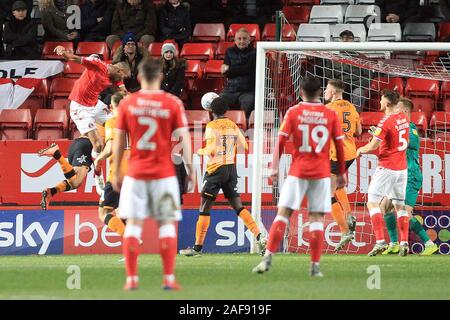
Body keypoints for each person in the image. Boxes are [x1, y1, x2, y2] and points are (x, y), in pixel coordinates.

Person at [112, 58, 195, 291]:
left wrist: (117, 170)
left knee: (133, 226)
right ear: (160, 76)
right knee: (166, 225)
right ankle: (168, 278)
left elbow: (119, 141)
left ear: (138, 77)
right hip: (164, 174)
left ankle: (131, 279)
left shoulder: (128, 103)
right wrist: (191, 170)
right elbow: (184, 139)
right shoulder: (172, 103)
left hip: (136, 173)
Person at [252, 76, 347, 277]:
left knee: (283, 214)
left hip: (298, 172)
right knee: (316, 220)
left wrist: (274, 168)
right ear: (320, 93)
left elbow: (280, 142)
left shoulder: (294, 112)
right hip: (321, 174)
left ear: (301, 92)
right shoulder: (329, 113)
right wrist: (341, 173)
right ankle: (314, 267)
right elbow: (339, 146)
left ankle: (267, 258)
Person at [179, 97, 267, 257]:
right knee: (238, 207)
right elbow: (245, 146)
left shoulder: (211, 126)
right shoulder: (233, 125)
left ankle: (197, 248)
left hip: (215, 170)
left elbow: (211, 148)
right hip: (230, 169)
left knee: (204, 208)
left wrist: (200, 151)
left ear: (211, 111)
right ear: (226, 110)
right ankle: (259, 236)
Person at [53, 45, 131, 194]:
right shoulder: (98, 65)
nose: (122, 80)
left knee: (118, 123)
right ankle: (98, 175)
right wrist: (63, 51)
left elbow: (124, 91)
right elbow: (74, 58)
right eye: (123, 76)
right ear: (119, 71)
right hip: (79, 107)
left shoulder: (115, 77)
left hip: (95, 105)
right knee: (98, 146)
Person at [380, 98, 438, 256]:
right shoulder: (398, 128)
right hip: (398, 175)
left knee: (405, 212)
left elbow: (402, 143)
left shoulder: (411, 129)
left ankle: (429, 243)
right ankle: (394, 244)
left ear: (404, 111)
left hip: (410, 175)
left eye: (397, 109)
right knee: (384, 207)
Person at [356, 90, 410, 257]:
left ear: (387, 103)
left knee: (372, 203)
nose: (379, 102)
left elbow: (372, 146)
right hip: (402, 169)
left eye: (381, 100)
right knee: (400, 207)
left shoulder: (385, 122)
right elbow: (393, 138)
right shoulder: (404, 118)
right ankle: (404, 242)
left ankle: (380, 241)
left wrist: (360, 150)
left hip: (387, 167)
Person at [324, 79, 362, 252]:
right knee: (336, 186)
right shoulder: (352, 108)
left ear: (332, 92)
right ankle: (348, 215)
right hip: (350, 152)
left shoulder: (329, 109)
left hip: (336, 154)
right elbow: (359, 132)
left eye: (326, 89)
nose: (325, 92)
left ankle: (344, 230)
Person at [95, 91, 128, 237]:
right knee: (122, 211)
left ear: (110, 107)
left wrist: (98, 159)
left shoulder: (112, 122)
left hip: (118, 174)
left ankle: (128, 236)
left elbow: (110, 148)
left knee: (104, 212)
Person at [38, 138, 93, 210]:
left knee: (76, 181)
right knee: (75, 182)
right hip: (86, 146)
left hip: (76, 145)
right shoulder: (108, 132)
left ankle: (51, 192)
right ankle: (56, 154)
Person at [220, 28, 256, 119]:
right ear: (235, 40)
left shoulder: (255, 52)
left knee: (248, 104)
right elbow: (226, 73)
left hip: (248, 90)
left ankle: (244, 127)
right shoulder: (229, 51)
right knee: (219, 102)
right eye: (239, 39)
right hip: (231, 89)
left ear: (249, 40)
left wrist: (230, 69)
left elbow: (249, 70)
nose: (241, 41)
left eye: (244, 38)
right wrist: (231, 70)